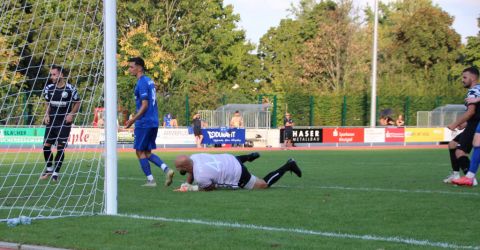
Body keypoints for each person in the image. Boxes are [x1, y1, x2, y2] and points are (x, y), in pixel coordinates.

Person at [124, 57, 174, 187]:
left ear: (139, 67)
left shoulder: (141, 82)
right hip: (153, 121)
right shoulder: (149, 81)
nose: (130, 69)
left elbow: (145, 105)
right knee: (147, 152)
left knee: (139, 151)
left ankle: (151, 180)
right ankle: (167, 170)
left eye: (131, 67)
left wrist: (133, 119)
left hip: (144, 122)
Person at [173, 152, 302, 191]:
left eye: (179, 168)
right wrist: (187, 183)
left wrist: (191, 188)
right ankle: (249, 157)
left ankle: (289, 165)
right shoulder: (194, 157)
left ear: (184, 168)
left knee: (263, 184)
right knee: (232, 160)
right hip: (230, 158)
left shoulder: (201, 177)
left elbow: (210, 187)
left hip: (237, 173)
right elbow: (191, 170)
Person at [40, 65, 81, 181]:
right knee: (46, 146)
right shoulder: (48, 88)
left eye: (54, 74)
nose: (52, 77)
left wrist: (71, 114)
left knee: (60, 147)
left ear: (61, 75)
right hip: (52, 121)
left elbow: (77, 102)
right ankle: (49, 168)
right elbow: (47, 102)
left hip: (64, 122)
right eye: (51, 75)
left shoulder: (70, 89)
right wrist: (46, 115)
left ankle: (56, 173)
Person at [444, 67, 480, 185]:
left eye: (465, 77)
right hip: (474, 124)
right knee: (452, 144)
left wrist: (455, 124)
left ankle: (470, 178)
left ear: (473, 77)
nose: (462, 80)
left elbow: (471, 112)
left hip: (475, 126)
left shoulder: (473, 91)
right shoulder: (478, 89)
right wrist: (463, 123)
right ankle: (455, 174)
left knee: (460, 152)